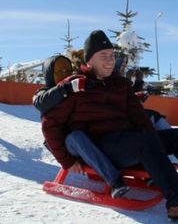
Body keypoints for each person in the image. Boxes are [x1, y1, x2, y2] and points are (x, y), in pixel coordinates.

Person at [41, 30, 178, 221]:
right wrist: (66, 160)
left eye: (112, 55)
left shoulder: (119, 84)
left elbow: (139, 117)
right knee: (144, 143)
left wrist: (156, 145)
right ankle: (177, 203)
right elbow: (50, 124)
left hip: (128, 141)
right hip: (102, 147)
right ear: (89, 60)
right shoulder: (76, 85)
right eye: (103, 55)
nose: (110, 60)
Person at [33, 55, 130, 199]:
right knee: (76, 136)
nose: (64, 74)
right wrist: (68, 161)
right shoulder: (44, 94)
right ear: (49, 74)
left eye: (67, 69)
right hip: (68, 144)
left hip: (89, 139)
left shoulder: (77, 86)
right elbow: (40, 101)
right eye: (59, 71)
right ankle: (115, 181)